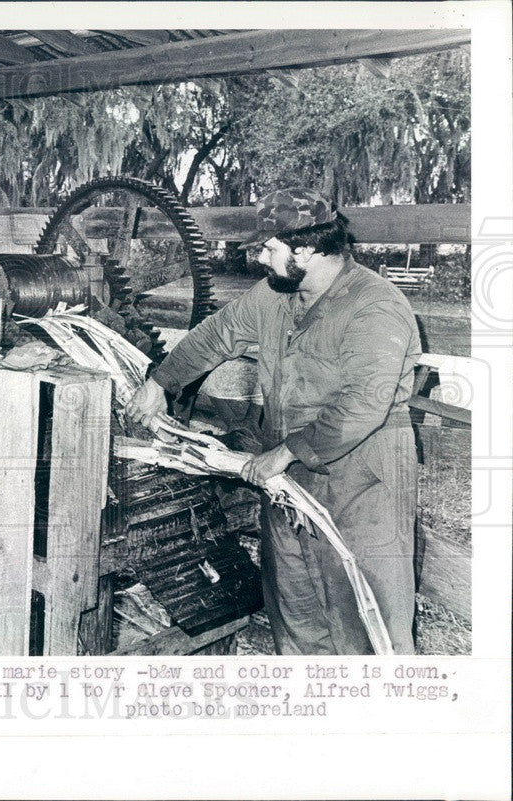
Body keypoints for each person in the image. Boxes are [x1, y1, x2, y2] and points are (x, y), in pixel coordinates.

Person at [126, 187, 421, 655]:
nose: (261, 259)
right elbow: (215, 336)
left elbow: (364, 403)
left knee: (364, 607)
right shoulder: (275, 294)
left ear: (305, 247)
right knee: (294, 601)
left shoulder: (374, 305)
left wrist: (282, 454)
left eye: (269, 248)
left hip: (362, 468)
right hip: (286, 465)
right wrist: (161, 382)